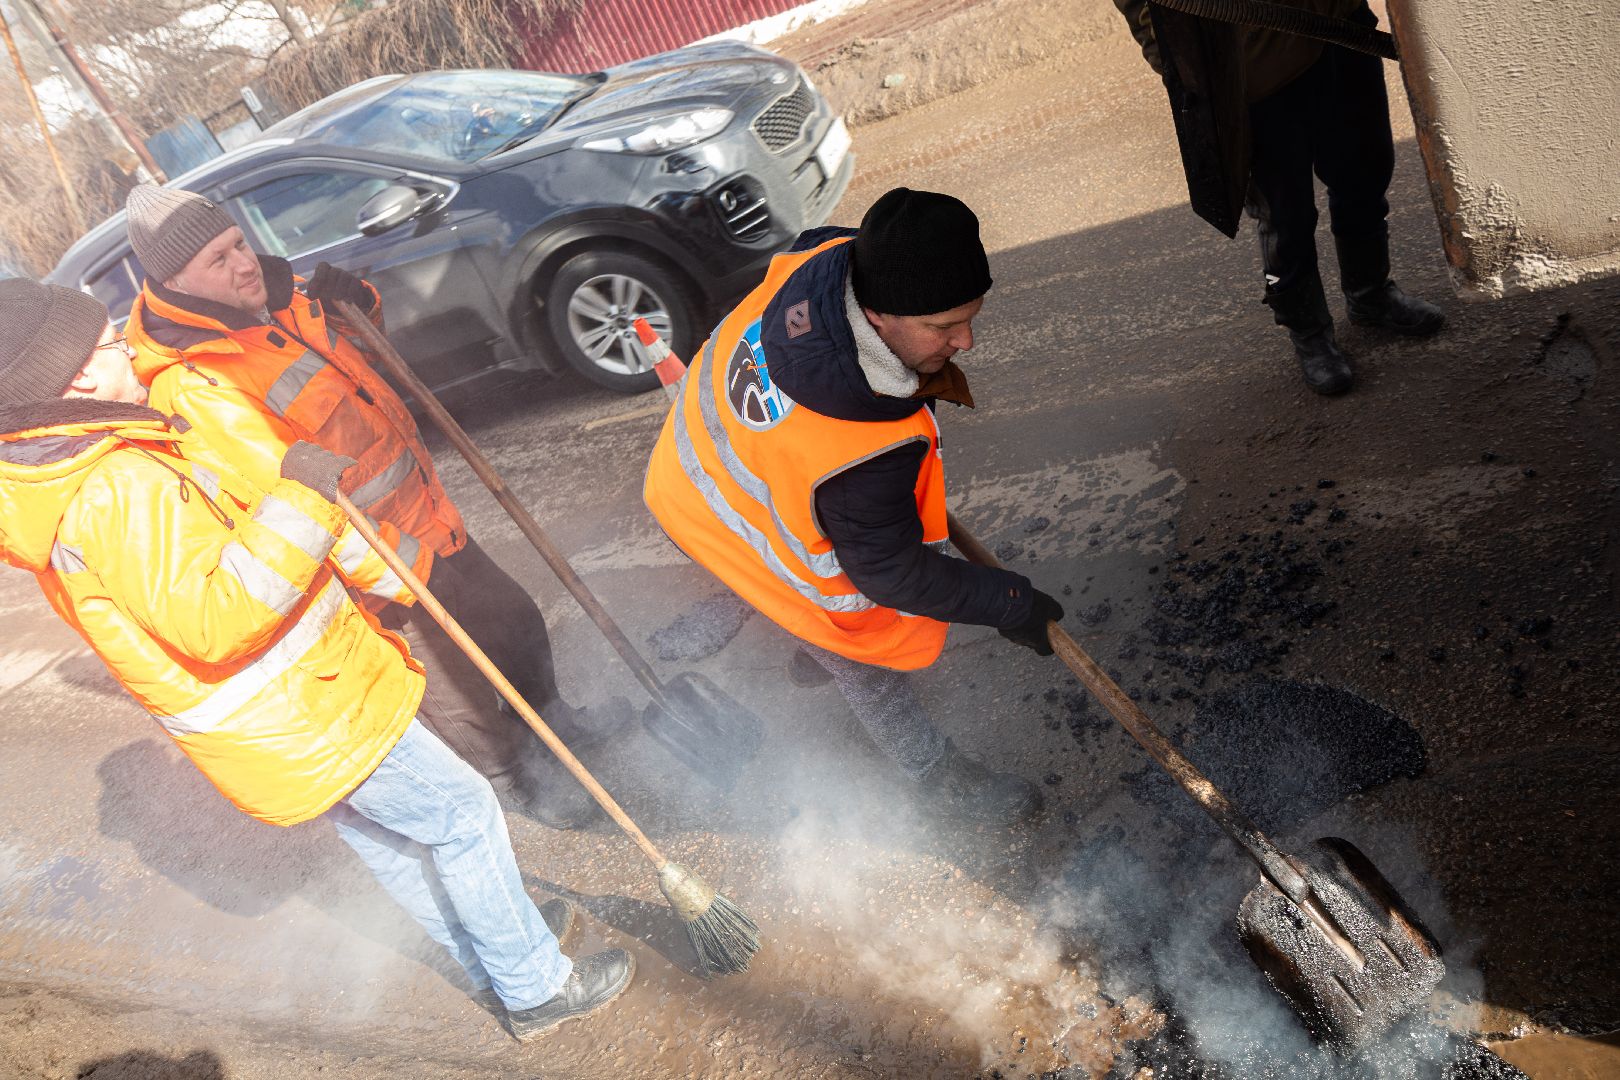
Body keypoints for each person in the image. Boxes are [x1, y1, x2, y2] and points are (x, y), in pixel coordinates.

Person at [0, 278, 633, 1041]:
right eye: (110, 345)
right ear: (77, 380)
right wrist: (301, 500)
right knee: (463, 814)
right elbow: (216, 618)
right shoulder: (113, 487)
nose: (129, 350)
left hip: (276, 723)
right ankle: (535, 985)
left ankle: (492, 946)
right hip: (305, 708)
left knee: (392, 840)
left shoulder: (77, 475)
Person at [120, 183, 615, 829]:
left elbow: (359, 363)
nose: (243, 263)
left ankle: (556, 728)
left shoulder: (280, 299)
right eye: (219, 260)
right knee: (464, 703)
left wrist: (359, 304)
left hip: (427, 520)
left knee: (516, 624)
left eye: (238, 243)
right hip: (377, 575)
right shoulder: (202, 384)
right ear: (175, 284)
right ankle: (520, 786)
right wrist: (410, 571)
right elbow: (304, 511)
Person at [644, 187, 1062, 827]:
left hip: (705, 464)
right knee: (857, 646)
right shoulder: (861, 456)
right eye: (944, 327)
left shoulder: (826, 257)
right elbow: (893, 575)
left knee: (844, 569)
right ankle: (937, 779)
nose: (967, 341)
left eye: (970, 316)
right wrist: (1012, 603)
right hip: (712, 510)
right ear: (875, 315)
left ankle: (804, 647)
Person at [1115, 0, 1444, 395]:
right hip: (1254, 65)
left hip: (1340, 28)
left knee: (1364, 170)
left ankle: (1370, 294)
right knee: (1284, 214)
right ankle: (1309, 333)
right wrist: (1183, 64)